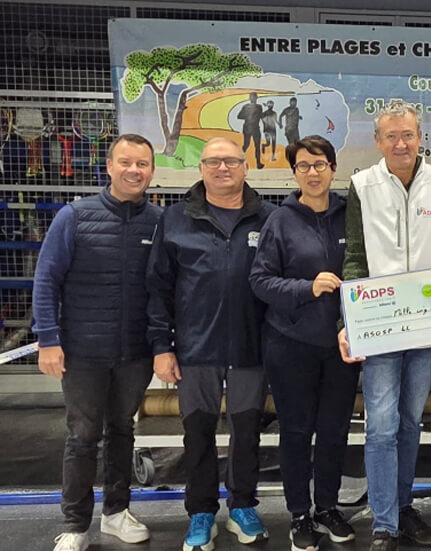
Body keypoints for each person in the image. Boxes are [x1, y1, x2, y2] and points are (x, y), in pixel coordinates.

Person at [337, 100, 431, 551]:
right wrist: (348, 321)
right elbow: (354, 257)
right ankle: (385, 523)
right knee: (381, 425)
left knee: (410, 422)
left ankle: (403, 506)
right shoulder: (362, 185)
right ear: (377, 142)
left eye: (407, 134)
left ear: (420, 136)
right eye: (390, 136)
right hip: (380, 324)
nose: (400, 143)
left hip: (428, 326)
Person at [146, 137, 275, 551]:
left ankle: (242, 507)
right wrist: (161, 347)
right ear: (201, 168)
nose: (223, 168)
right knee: (197, 432)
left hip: (251, 348)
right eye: (214, 162)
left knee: (246, 431)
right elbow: (158, 288)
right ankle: (201, 513)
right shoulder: (175, 219)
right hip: (195, 348)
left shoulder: (269, 218)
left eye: (231, 161)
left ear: (245, 167)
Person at [33, 134, 161, 551]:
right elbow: (46, 279)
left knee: (122, 430)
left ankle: (116, 513)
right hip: (83, 351)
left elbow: (165, 287)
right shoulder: (74, 216)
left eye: (142, 164)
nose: (133, 170)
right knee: (83, 435)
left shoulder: (159, 222)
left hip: (135, 353)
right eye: (125, 162)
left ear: (151, 171)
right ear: (109, 166)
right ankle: (74, 525)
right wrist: (48, 339)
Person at [249, 135, 359, 551]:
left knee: (333, 431)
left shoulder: (351, 216)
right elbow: (259, 281)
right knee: (296, 432)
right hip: (291, 343)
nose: (313, 173)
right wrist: (305, 288)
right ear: (293, 173)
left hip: (342, 345)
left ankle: (327, 507)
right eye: (303, 166)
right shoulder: (279, 220)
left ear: (333, 168)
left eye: (320, 164)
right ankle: (299, 514)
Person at [238, 92, 264, 169]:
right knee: (247, 145)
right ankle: (238, 160)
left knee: (256, 146)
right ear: (250, 98)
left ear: (256, 98)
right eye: (252, 97)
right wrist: (248, 116)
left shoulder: (259, 107)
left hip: (255, 128)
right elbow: (239, 116)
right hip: (248, 128)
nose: (253, 99)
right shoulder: (246, 107)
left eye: (254, 97)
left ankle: (258, 163)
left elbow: (261, 116)